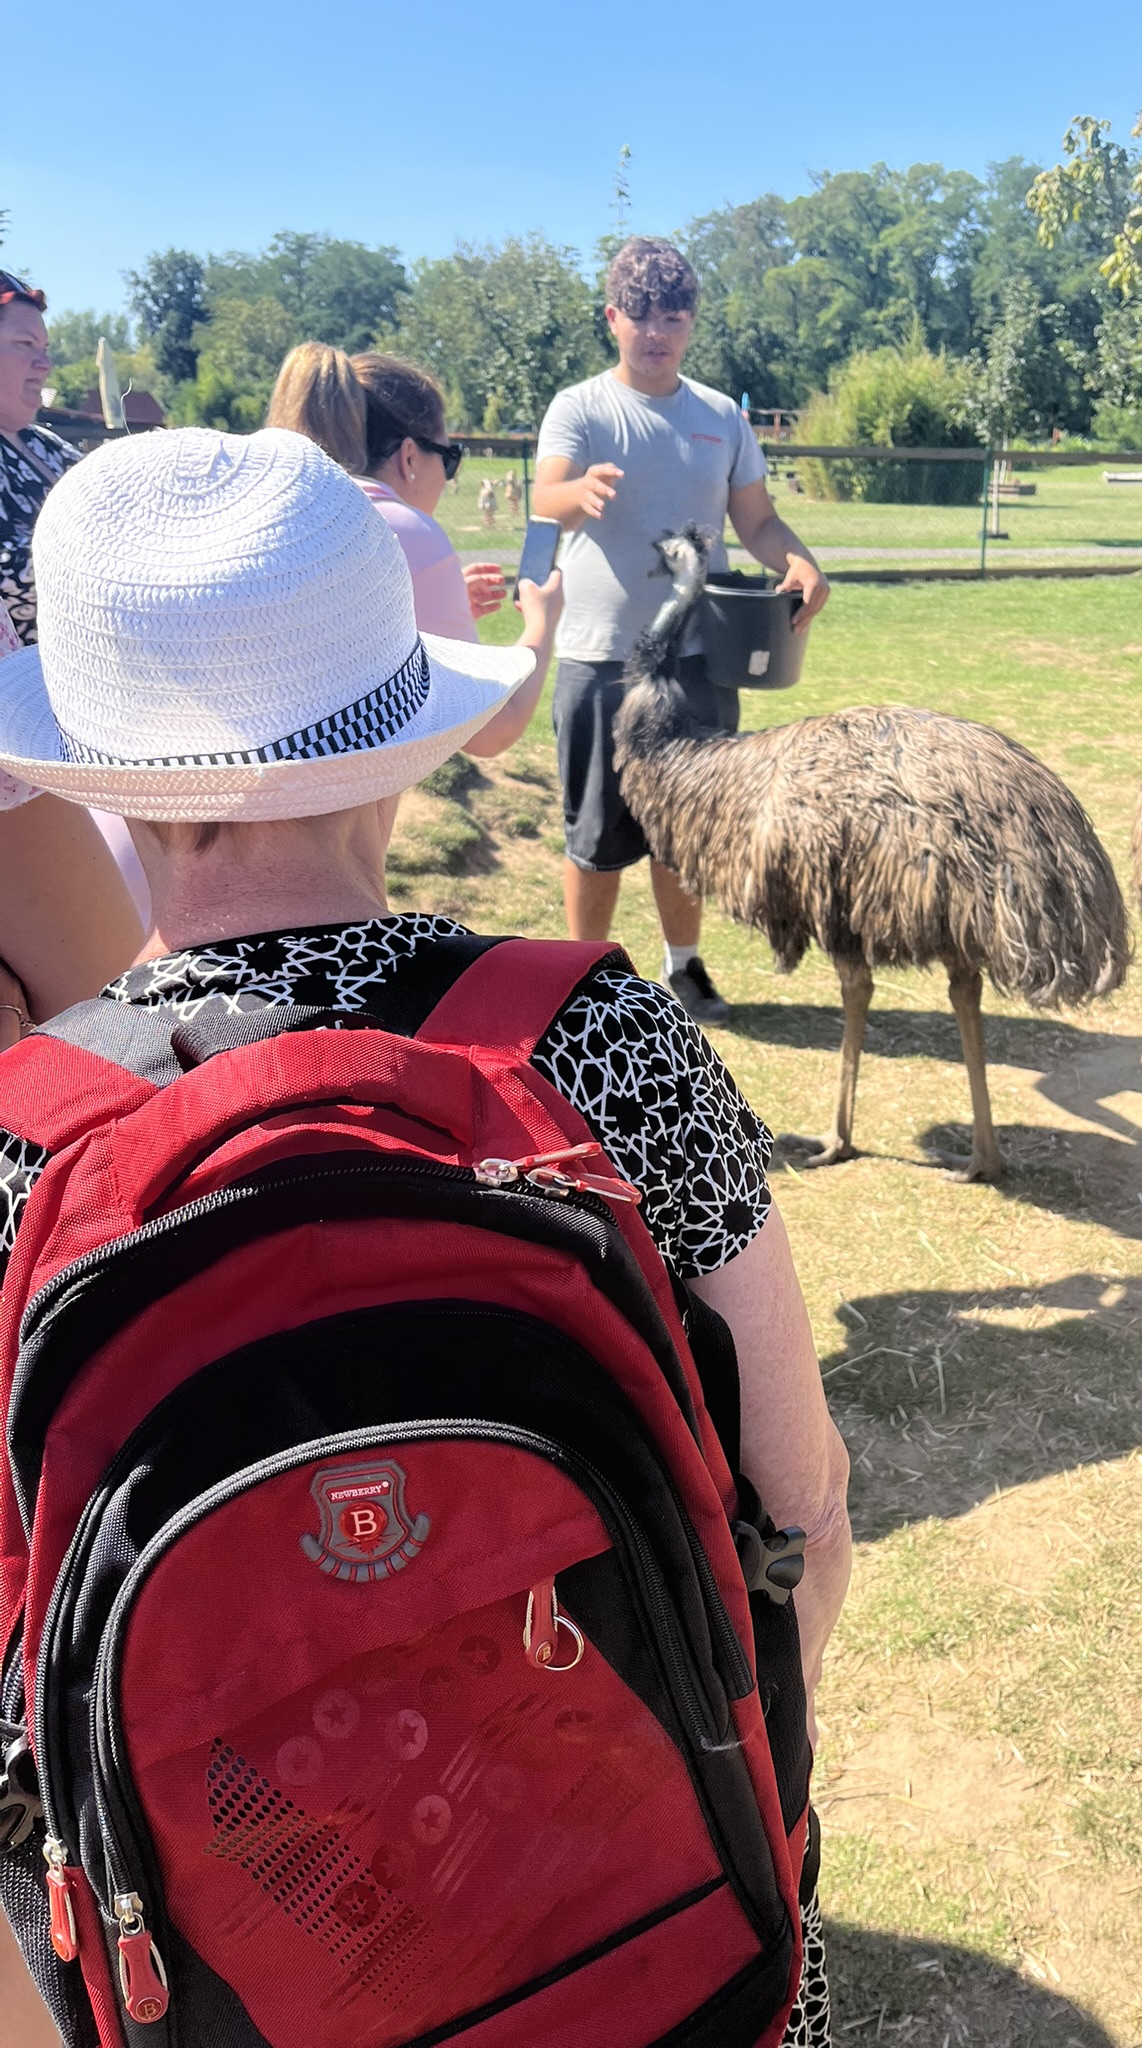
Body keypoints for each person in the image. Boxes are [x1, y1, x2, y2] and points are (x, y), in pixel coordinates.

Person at [0, 426, 849, 2046]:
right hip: (664, 1963)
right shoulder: (607, 1040)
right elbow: (800, 1510)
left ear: (102, 777)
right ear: (398, 740)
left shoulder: (23, 1151)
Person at [533, 237, 830, 1022]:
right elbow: (544, 499)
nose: (656, 332)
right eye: (640, 316)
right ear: (612, 319)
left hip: (699, 660)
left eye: (672, 317)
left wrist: (798, 560)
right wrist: (577, 494)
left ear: (692, 322)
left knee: (686, 831)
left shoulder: (720, 416)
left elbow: (757, 521)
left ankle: (684, 968)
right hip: (601, 659)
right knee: (596, 837)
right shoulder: (580, 408)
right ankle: (583, 986)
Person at [0, 269, 149, 1021]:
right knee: (112, 1014)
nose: (45, 360)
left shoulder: (46, 450)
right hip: (25, 750)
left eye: (46, 345)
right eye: (24, 343)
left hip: (87, 734)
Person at [268, 344, 508, 649]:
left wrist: (438, 604)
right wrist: (543, 617)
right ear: (409, 458)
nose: (448, 478)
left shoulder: (289, 516)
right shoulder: (411, 534)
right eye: (449, 458)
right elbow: (482, 683)